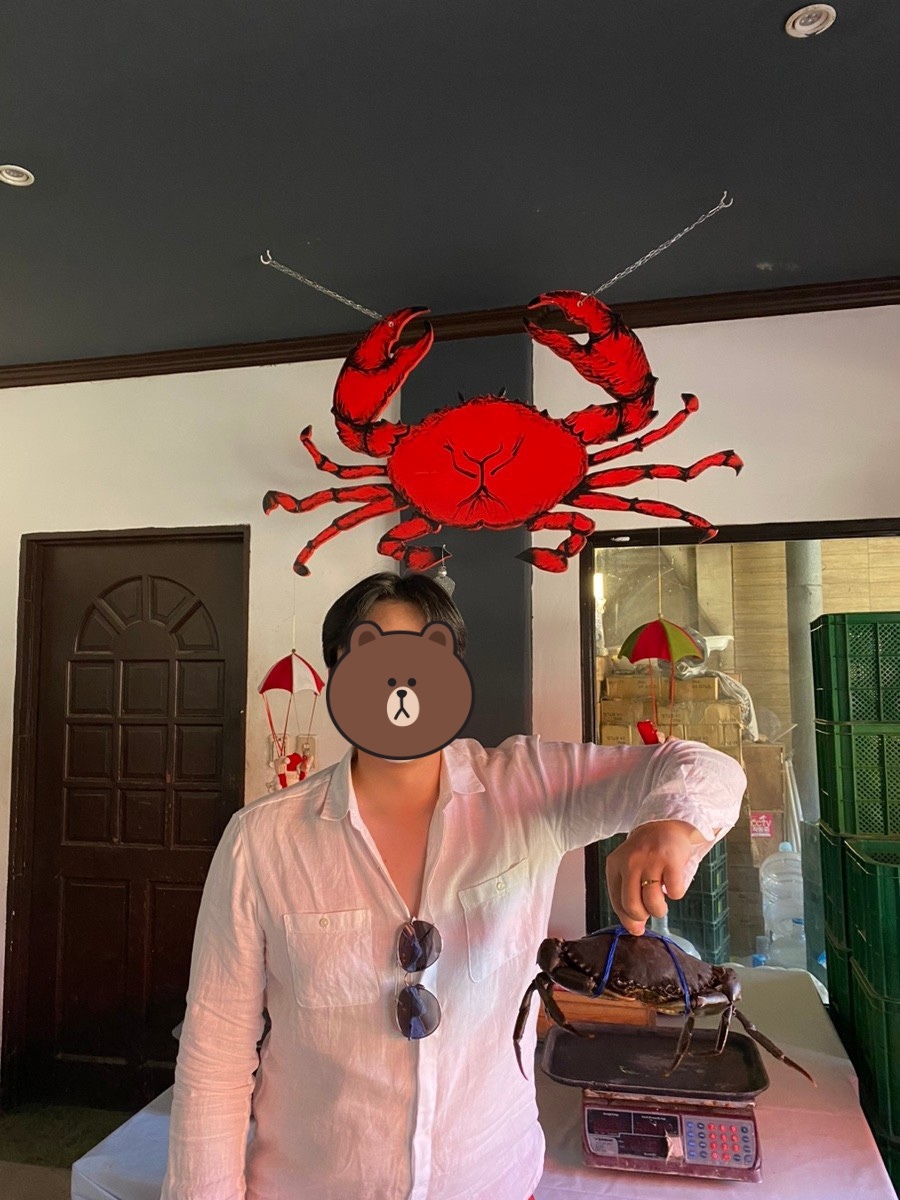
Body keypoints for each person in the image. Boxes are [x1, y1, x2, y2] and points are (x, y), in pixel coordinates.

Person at [161, 572, 746, 1200]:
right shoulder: (261, 840)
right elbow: (216, 1051)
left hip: (492, 1178)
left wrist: (670, 824)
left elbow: (704, 767)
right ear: (338, 674)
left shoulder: (527, 786)